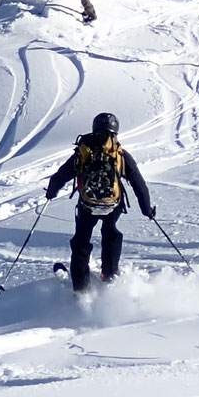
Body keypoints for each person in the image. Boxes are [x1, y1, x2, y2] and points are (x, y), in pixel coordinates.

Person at [45, 112, 155, 290]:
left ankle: (80, 287)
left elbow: (61, 174)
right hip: (113, 205)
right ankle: (109, 275)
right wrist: (147, 209)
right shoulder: (119, 153)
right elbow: (138, 182)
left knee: (81, 240)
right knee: (111, 232)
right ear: (115, 131)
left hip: (87, 205)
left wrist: (51, 193)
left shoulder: (84, 150)